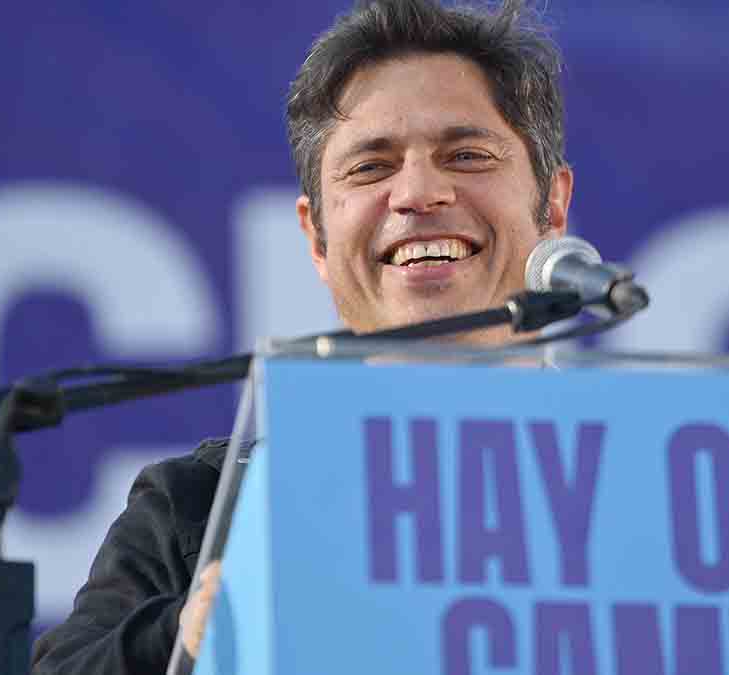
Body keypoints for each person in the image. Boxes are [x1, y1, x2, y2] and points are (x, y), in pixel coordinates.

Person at [30, 0, 573, 671]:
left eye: (466, 155)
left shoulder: (655, 483)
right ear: (316, 238)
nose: (419, 192)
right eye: (371, 167)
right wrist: (192, 635)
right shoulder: (202, 509)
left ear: (552, 206)